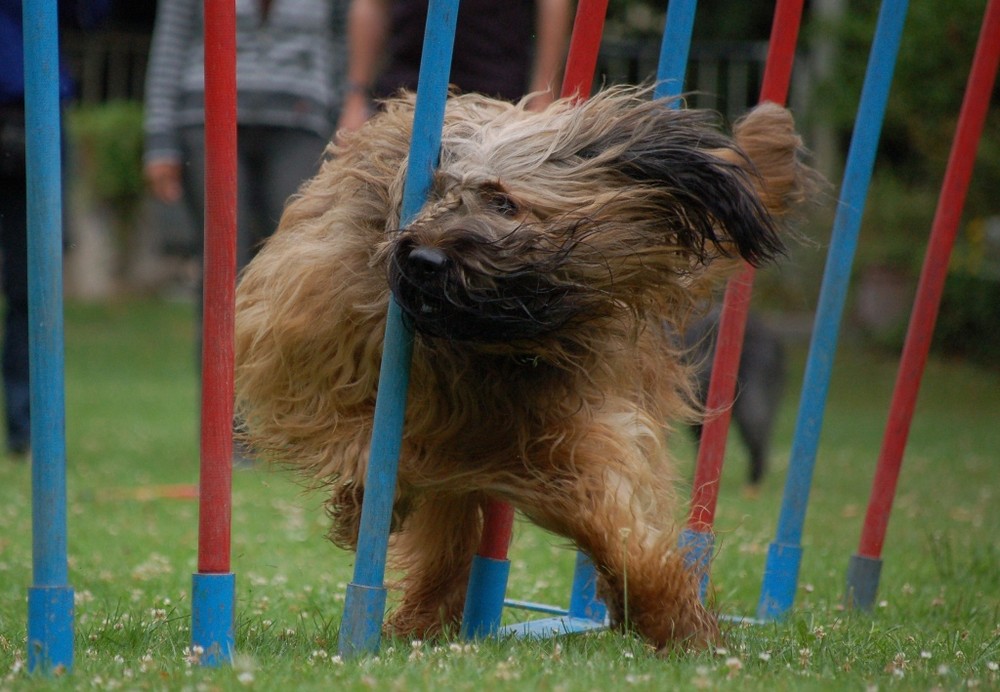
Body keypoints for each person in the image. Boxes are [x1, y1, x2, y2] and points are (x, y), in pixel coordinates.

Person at [143, 0, 347, 289]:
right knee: (221, 256)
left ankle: (281, 334)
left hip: (300, 119)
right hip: (206, 116)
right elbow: (170, 44)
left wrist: (345, 109)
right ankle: (215, 334)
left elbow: (344, 41)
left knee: (293, 251)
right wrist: (160, 141)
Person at [0, 0, 110, 460]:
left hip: (38, 113)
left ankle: (29, 431)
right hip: (30, 105)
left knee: (35, 286)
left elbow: (92, 13)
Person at [337, 0, 573, 134]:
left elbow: (553, 5)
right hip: (402, 97)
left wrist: (543, 96)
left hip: (497, 102)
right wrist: (356, 98)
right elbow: (372, 6)